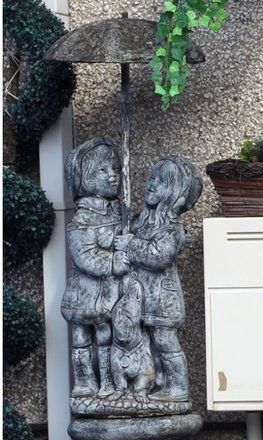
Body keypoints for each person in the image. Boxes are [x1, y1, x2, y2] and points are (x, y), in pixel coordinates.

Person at [114, 155, 202, 402]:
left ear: (175, 195)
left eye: (162, 182)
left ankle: (178, 386)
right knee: (149, 343)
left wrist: (131, 244)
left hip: (164, 300)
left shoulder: (170, 228)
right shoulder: (143, 222)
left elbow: (159, 256)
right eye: (152, 178)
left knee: (164, 341)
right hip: (144, 299)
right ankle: (158, 382)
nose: (152, 184)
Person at [61, 137, 125, 398]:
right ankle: (85, 382)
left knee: (106, 336)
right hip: (84, 293)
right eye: (103, 170)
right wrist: (112, 262)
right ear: (85, 178)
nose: (113, 176)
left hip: (107, 294)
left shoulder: (119, 214)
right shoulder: (82, 220)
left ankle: (108, 382)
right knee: (80, 336)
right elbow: (84, 256)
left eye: (115, 168)